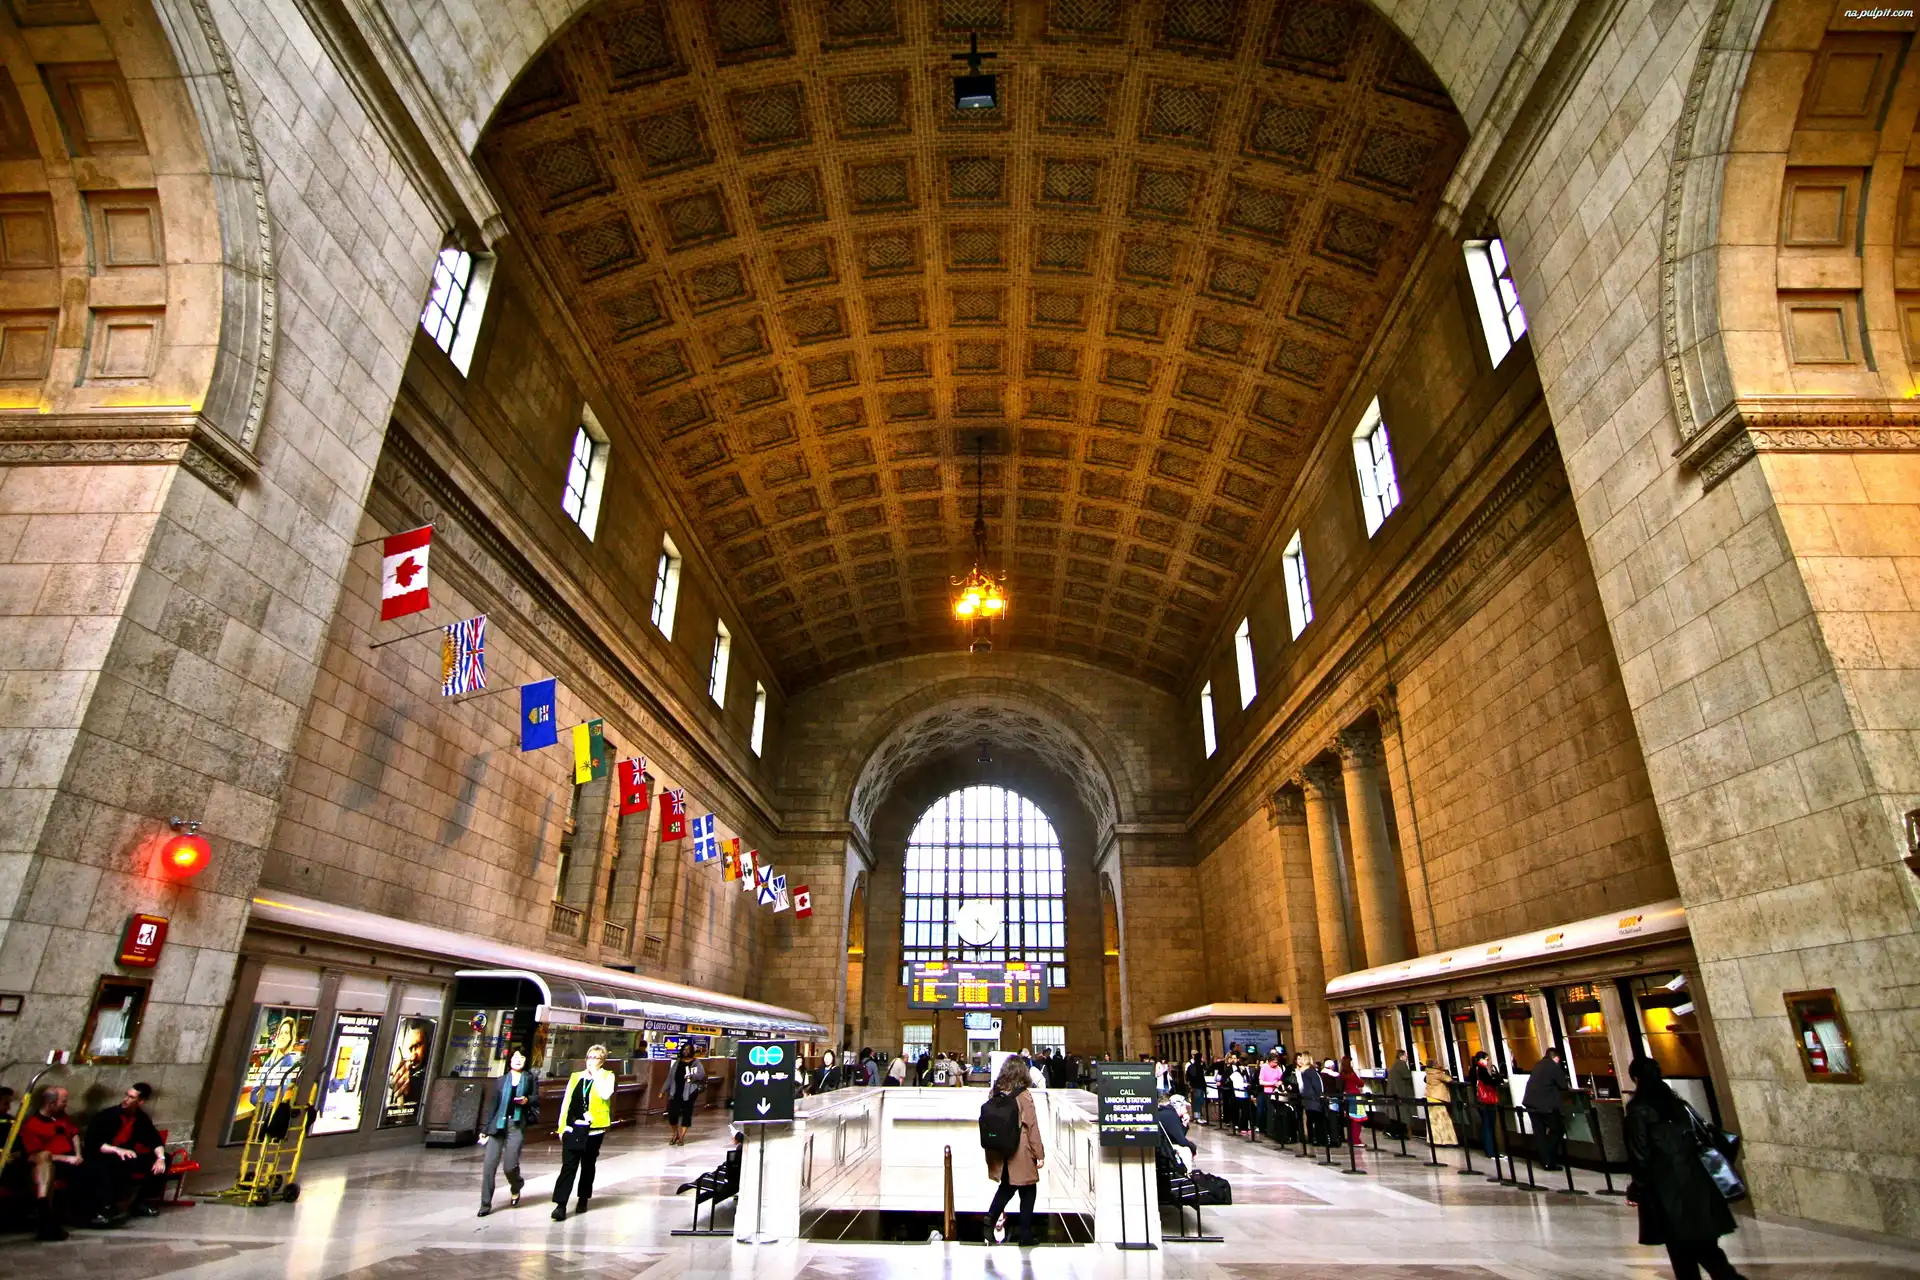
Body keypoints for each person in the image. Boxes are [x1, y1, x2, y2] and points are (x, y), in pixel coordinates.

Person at [1625, 1058, 1748, 1280]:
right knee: (1708, 1249)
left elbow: (1640, 1157)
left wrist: (1636, 1190)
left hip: (1669, 1192)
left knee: (1684, 1254)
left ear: (1635, 1079)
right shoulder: (1678, 1104)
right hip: (1699, 1183)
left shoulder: (1638, 1111)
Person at [82, 1081, 166, 1227]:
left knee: (162, 1160)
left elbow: (154, 1139)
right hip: (103, 1154)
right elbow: (93, 1142)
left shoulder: (141, 1118)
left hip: (126, 1155)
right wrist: (117, 1150)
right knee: (112, 1165)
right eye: (126, 1095)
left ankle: (140, 1202)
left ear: (140, 1101)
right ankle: (107, 1207)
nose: (126, 1100)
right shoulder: (107, 1116)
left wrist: (161, 1158)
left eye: (131, 1098)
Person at [982, 1056, 1046, 1246]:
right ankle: (1025, 1234)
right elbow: (1032, 1126)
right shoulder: (1023, 1095)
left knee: (1007, 1187)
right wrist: (1039, 1154)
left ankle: (989, 1221)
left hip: (999, 1149)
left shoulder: (995, 1091)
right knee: (1029, 1190)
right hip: (1020, 1149)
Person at [551, 1043, 615, 1220]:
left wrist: (596, 1075)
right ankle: (560, 1204)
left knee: (588, 1165)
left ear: (602, 1061)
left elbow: (605, 1094)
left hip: (595, 1129)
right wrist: (562, 1127)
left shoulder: (607, 1076)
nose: (591, 1061)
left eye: (596, 1058)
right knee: (568, 1166)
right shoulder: (576, 1077)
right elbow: (566, 1102)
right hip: (574, 1127)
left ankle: (583, 1198)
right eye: (589, 1057)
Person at [478, 1047, 539, 1216]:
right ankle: (485, 1204)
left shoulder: (530, 1079)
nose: (518, 1060)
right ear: (510, 1061)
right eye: (515, 1057)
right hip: (497, 1125)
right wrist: (485, 1129)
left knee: (510, 1167)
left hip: (516, 1124)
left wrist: (526, 1100)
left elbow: (536, 1099)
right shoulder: (501, 1080)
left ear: (526, 1061)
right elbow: (493, 1106)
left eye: (521, 1057)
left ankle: (516, 1184)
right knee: (489, 1166)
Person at [21, 1086, 83, 1241]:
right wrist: (66, 1158)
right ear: (51, 1104)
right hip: (56, 1162)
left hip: (72, 1159)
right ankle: (47, 1215)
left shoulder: (62, 1117)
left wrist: (78, 1154)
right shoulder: (31, 1125)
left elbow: (74, 1134)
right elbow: (35, 1156)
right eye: (63, 1101)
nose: (66, 1105)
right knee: (52, 1168)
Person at [1524, 1046, 1571, 1170]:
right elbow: (1563, 1085)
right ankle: (1549, 1156)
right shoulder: (1553, 1067)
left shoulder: (1538, 1065)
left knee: (1539, 1133)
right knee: (1558, 1129)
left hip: (1531, 1104)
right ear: (1556, 1058)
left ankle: (1545, 1161)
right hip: (1545, 1105)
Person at [663, 1044, 706, 1146]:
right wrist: (663, 1090)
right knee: (672, 1113)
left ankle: (682, 1137)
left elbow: (701, 1074)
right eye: (684, 1049)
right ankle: (675, 1133)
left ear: (691, 1051)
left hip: (690, 1092)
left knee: (687, 1113)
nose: (686, 1051)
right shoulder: (677, 1062)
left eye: (688, 1049)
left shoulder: (696, 1062)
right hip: (676, 1091)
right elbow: (670, 1077)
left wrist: (692, 1076)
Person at [1466, 1050, 1504, 1160]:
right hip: (1487, 1101)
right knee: (1489, 1126)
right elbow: (1489, 1081)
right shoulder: (1481, 1069)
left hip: (1479, 1100)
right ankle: (1491, 1152)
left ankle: (1490, 1151)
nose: (1487, 1062)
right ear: (1481, 1060)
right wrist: (1498, 1079)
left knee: (1486, 1126)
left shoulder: (1473, 1069)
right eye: (1487, 1059)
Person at [1155, 1091, 1197, 1169]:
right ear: (1179, 1106)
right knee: (1186, 1150)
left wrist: (1184, 1124)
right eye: (1184, 1107)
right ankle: (1186, 1172)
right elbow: (1181, 1141)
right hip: (1162, 1150)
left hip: (1161, 1147)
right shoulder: (1170, 1115)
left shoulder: (1167, 1113)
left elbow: (1178, 1136)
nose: (1186, 1110)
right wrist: (1193, 1148)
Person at [1424, 1059, 1459, 1147]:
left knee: (1432, 1121)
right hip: (1438, 1098)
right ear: (1434, 1065)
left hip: (1429, 1097)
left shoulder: (1428, 1073)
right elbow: (1449, 1080)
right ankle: (1445, 1140)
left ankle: (1433, 1140)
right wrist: (1443, 1071)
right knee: (1442, 1120)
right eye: (1437, 1063)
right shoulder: (1437, 1073)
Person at [1293, 1051, 1325, 1145]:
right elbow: (1316, 1085)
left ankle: (1312, 1138)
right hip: (1314, 1098)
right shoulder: (1310, 1070)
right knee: (1317, 1119)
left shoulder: (1303, 1071)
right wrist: (1320, 1094)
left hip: (1307, 1098)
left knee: (1310, 1119)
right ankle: (1318, 1139)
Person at [1386, 1051, 1416, 1139]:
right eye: (1406, 1056)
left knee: (1395, 1115)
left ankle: (1394, 1132)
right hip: (1400, 1094)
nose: (1407, 1058)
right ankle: (1401, 1133)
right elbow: (1407, 1076)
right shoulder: (1402, 1064)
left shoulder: (1394, 1064)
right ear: (1401, 1056)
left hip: (1392, 1093)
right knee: (1403, 1115)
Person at [1258, 1049, 1287, 1139]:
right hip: (1268, 1092)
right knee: (1270, 1111)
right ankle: (1269, 1130)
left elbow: (1281, 1078)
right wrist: (1271, 1083)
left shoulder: (1278, 1068)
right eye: (1274, 1062)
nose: (1275, 1064)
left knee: (1277, 1111)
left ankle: (1277, 1129)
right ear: (1269, 1061)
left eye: (1276, 1062)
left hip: (1276, 1092)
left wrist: (1280, 1082)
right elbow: (1261, 1082)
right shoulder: (1264, 1067)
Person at [1338, 1056, 1366, 1144]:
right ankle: (1355, 1140)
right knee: (1357, 1120)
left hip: (1347, 1097)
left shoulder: (1341, 1074)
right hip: (1355, 1097)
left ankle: (1351, 1138)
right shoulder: (1351, 1074)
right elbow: (1360, 1083)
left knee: (1350, 1119)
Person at [1184, 1053, 1208, 1123]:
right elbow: (1202, 1077)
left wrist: (1190, 1083)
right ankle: (1198, 1117)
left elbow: (1187, 1077)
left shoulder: (1190, 1067)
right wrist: (1205, 1086)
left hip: (1193, 1086)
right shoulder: (1199, 1067)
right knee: (1199, 1102)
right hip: (1199, 1086)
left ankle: (1196, 1117)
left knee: (1195, 1102)